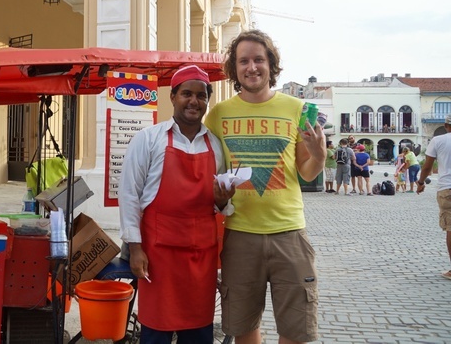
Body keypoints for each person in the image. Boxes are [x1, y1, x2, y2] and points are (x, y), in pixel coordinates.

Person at [204, 29, 325, 344]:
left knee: (297, 330)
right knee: (243, 329)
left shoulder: (295, 109)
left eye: (259, 59)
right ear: (234, 68)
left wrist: (320, 155)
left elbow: (307, 173)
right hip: (240, 236)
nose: (251, 67)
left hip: (289, 233)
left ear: (271, 65)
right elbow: (212, 175)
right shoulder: (218, 114)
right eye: (243, 61)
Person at [119, 65, 235, 343]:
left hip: (201, 257)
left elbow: (220, 205)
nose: (194, 101)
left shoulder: (216, 145)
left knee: (198, 332)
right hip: (159, 256)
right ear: (172, 97)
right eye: (186, 94)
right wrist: (135, 249)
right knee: (156, 332)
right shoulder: (148, 139)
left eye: (201, 95)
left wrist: (221, 201)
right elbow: (129, 196)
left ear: (207, 100)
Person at [416, 114, 451, 280]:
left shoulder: (438, 141)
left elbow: (427, 166)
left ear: (446, 125)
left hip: (447, 189)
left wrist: (421, 182)